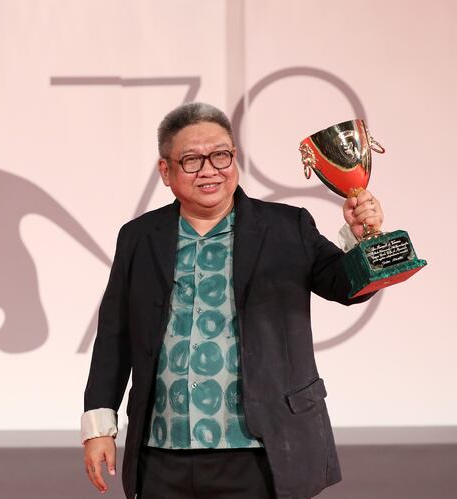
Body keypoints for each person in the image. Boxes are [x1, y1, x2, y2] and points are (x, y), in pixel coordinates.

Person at [81, 102, 382, 499]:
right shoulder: (138, 236)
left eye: (220, 155)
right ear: (166, 171)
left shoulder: (286, 226)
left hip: (261, 449)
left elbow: (345, 287)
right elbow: (114, 336)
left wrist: (364, 239)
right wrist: (99, 426)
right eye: (191, 160)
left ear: (234, 158)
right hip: (162, 448)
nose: (209, 169)